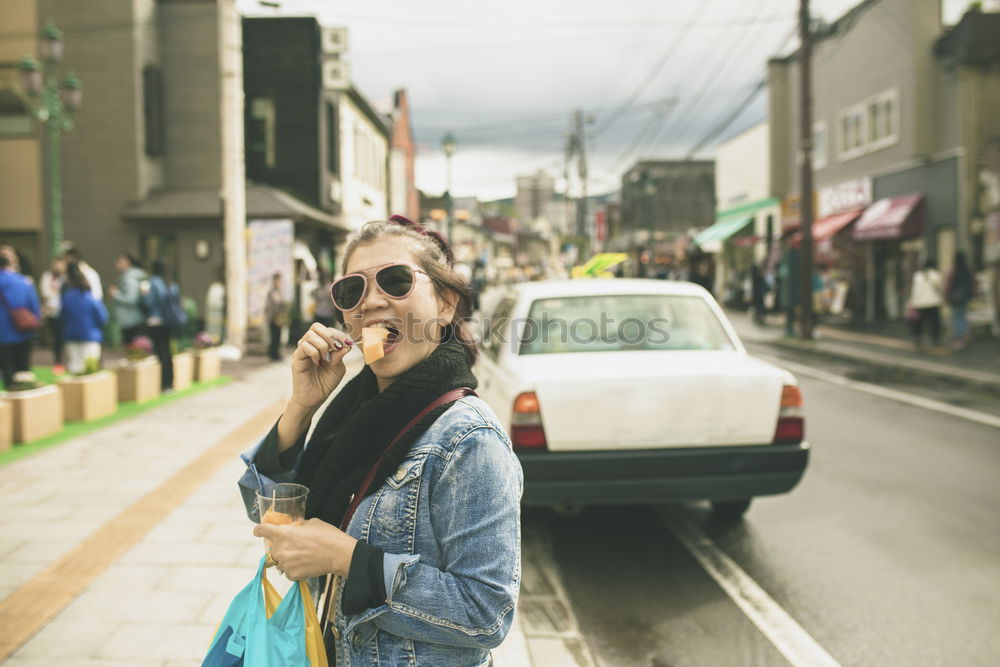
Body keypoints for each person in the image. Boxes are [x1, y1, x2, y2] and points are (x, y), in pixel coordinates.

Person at [245, 216, 522, 664]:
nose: (371, 301)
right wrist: (301, 406)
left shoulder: (469, 438)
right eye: (352, 290)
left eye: (395, 281)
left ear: (446, 303)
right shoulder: (353, 412)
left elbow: (486, 613)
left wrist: (348, 559)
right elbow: (271, 518)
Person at [0, 253, 41, 389]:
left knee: (7, 366)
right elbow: (34, 305)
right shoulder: (23, 281)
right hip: (23, 330)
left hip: (3, 333)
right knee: (23, 366)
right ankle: (23, 396)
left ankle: (10, 389)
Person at [61, 262, 108, 374]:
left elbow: (63, 316)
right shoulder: (91, 298)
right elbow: (103, 317)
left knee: (75, 366)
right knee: (90, 369)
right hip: (90, 336)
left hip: (71, 335)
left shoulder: (67, 298)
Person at [144, 260, 176, 391]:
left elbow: (149, 302)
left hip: (156, 321)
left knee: (160, 353)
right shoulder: (169, 282)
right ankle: (169, 383)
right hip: (168, 320)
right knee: (167, 353)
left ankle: (162, 384)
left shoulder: (153, 282)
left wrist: (143, 295)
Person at [109, 252, 147, 345]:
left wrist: (116, 294)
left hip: (131, 320)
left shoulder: (129, 278)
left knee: (134, 350)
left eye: (120, 262)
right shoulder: (129, 276)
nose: (116, 264)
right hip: (133, 319)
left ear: (128, 263)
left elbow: (131, 299)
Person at [908, 259, 944, 350]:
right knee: (934, 323)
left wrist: (912, 301)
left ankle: (917, 339)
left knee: (919, 323)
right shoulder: (936, 275)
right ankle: (935, 341)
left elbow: (915, 290)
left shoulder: (917, 275)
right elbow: (940, 288)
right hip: (933, 302)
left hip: (920, 303)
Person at [40, 256, 67, 372]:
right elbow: (45, 292)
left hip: (65, 312)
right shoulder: (47, 276)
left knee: (66, 338)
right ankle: (58, 362)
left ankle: (68, 361)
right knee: (56, 339)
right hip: (52, 312)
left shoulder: (67, 277)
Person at [945, 251, 975, 350]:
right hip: (965, 297)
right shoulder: (968, 270)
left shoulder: (952, 271)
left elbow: (948, 285)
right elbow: (972, 283)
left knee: (957, 318)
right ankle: (964, 334)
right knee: (962, 316)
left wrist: (946, 297)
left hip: (955, 298)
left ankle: (959, 340)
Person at [265, 272, 289, 361]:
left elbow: (283, 303)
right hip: (273, 318)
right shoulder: (272, 292)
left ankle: (277, 354)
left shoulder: (280, 291)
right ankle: (273, 355)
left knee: (278, 337)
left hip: (279, 318)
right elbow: (271, 305)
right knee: (273, 337)